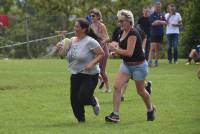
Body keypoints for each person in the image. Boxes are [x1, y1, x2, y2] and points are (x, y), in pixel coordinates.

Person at [105, 9, 155, 123]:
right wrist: (115, 51)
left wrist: (115, 49)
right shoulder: (121, 32)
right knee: (117, 87)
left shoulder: (133, 33)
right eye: (119, 21)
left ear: (129, 21)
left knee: (141, 91)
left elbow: (129, 53)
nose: (120, 23)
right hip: (126, 65)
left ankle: (150, 109)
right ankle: (115, 115)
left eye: (122, 21)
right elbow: (122, 48)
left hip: (139, 66)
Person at [56, 18, 104, 123]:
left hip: (90, 75)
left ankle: (93, 101)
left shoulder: (90, 41)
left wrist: (91, 64)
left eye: (77, 27)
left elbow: (101, 54)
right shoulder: (71, 41)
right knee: (74, 100)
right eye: (75, 26)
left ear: (84, 29)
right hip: (75, 74)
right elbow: (62, 55)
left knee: (83, 97)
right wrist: (59, 48)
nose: (75, 29)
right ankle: (81, 120)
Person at [90, 8, 111, 93]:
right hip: (95, 50)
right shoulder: (91, 26)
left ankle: (107, 88)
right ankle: (100, 80)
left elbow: (107, 38)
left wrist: (101, 42)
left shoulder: (101, 26)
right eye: (91, 16)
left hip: (103, 50)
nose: (91, 17)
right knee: (92, 67)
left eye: (93, 16)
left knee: (101, 70)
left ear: (98, 16)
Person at [148, 2, 166, 67]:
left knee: (158, 48)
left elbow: (165, 22)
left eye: (159, 7)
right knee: (152, 48)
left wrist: (158, 22)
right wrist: (160, 22)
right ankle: (149, 62)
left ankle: (156, 62)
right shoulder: (152, 15)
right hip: (154, 33)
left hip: (160, 33)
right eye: (157, 7)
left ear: (160, 7)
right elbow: (152, 23)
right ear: (155, 7)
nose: (158, 8)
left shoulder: (162, 15)